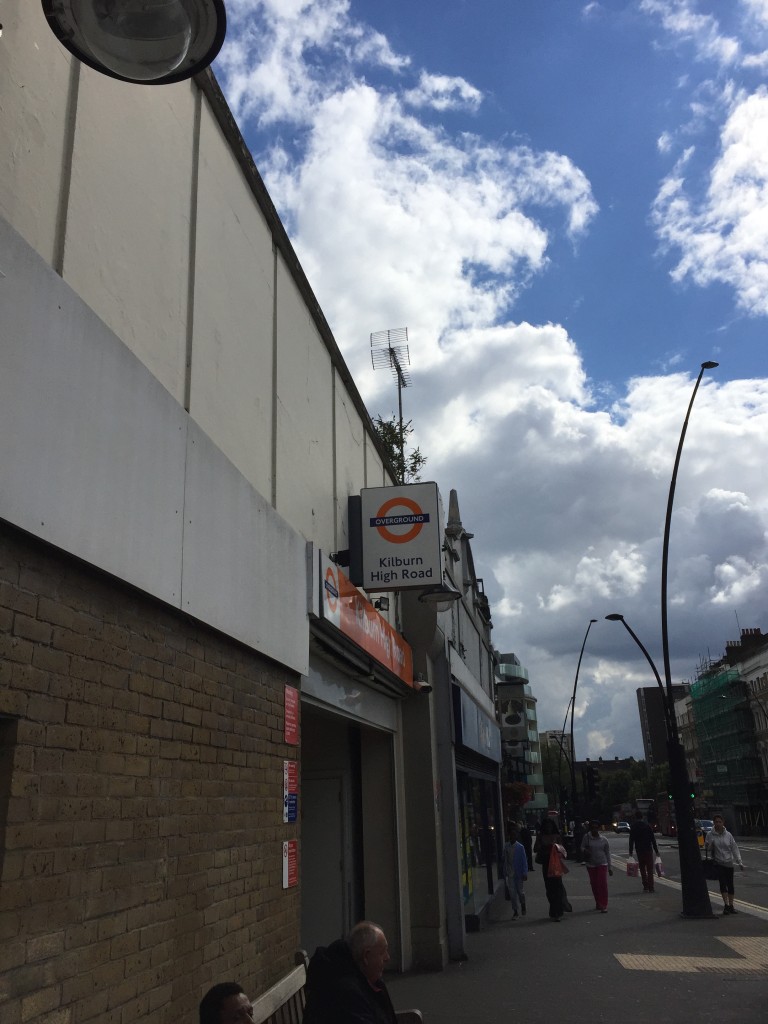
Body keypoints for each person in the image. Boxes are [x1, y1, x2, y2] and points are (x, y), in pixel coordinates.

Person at [303, 920, 396, 1024]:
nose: (387, 957)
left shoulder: (366, 981)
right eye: (382, 952)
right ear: (366, 956)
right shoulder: (347, 994)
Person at [705, 814, 744, 915]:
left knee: (730, 885)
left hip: (728, 863)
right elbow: (707, 849)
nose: (718, 824)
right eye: (716, 822)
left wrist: (739, 861)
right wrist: (711, 845)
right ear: (714, 823)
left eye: (720, 822)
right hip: (718, 863)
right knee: (723, 884)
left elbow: (734, 848)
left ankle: (731, 905)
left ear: (723, 823)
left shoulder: (728, 835)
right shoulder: (710, 834)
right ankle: (726, 905)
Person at [533, 817, 568, 921]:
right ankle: (554, 909)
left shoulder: (557, 836)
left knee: (557, 887)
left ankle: (557, 911)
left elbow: (563, 851)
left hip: (556, 865)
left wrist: (556, 847)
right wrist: (544, 847)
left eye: (550, 825)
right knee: (549, 889)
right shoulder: (541, 837)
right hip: (546, 864)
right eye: (547, 826)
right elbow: (535, 849)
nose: (548, 828)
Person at [581, 819, 613, 913]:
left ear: (599, 828)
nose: (594, 830)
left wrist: (610, 868)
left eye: (596, 828)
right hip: (591, 864)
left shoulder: (604, 840)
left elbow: (608, 853)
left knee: (602, 884)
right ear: (590, 828)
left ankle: (604, 904)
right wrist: (585, 851)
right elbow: (581, 847)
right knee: (594, 884)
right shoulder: (586, 837)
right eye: (592, 828)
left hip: (602, 864)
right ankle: (598, 902)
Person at [628, 809, 659, 893]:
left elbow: (631, 840)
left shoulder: (633, 827)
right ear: (642, 817)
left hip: (639, 850)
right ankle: (651, 887)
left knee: (642, 868)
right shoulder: (647, 826)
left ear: (635, 817)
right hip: (648, 849)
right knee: (649, 869)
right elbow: (653, 839)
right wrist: (656, 850)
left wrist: (630, 851)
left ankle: (645, 886)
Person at [502, 823, 529, 918]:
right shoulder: (506, 847)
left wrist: (525, 872)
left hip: (518, 872)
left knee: (520, 891)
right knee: (512, 893)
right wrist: (504, 871)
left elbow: (524, 860)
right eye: (511, 835)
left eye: (514, 835)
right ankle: (515, 910)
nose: (512, 837)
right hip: (510, 872)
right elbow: (505, 860)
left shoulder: (520, 847)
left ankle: (523, 903)